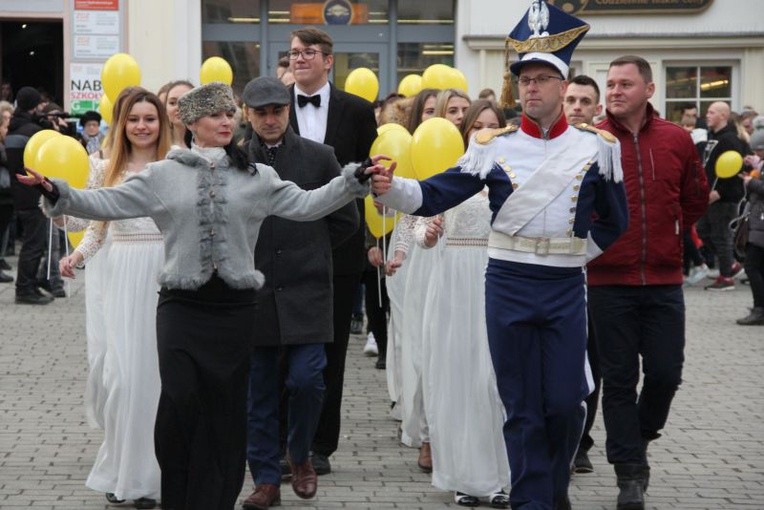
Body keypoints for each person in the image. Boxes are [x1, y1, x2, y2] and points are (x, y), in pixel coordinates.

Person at [20, 82, 383, 510]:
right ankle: (178, 489)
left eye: (230, 114)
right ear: (192, 123)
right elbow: (106, 202)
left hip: (235, 309)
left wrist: (352, 181)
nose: (227, 121)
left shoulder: (257, 176)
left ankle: (214, 497)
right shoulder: (161, 175)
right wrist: (56, 192)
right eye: (216, 115)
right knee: (179, 400)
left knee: (226, 412)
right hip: (181, 306)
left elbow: (308, 204)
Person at [371, 3, 629, 508]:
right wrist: (389, 186)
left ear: (562, 84)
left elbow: (615, 222)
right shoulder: (492, 146)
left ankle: (551, 489)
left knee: (564, 404)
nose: (530, 87)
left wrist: (571, 256)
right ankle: (533, 500)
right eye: (524, 78)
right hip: (506, 281)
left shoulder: (597, 148)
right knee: (520, 406)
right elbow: (436, 192)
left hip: (563, 287)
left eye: (541, 78)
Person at [588, 55, 709, 509]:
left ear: (649, 90)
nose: (615, 91)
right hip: (607, 279)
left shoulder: (676, 140)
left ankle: (637, 439)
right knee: (619, 380)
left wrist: (672, 229)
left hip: (662, 278)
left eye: (625, 84)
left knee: (665, 374)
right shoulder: (592, 140)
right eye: (611, 84)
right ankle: (630, 475)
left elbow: (694, 198)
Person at [239, 77, 359, 510]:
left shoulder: (320, 156)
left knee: (308, 380)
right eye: (261, 112)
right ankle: (266, 479)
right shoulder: (231, 161)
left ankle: (301, 452)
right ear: (247, 114)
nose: (270, 120)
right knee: (260, 393)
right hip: (254, 292)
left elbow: (347, 223)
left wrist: (310, 250)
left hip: (308, 289)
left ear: (288, 111)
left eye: (277, 111)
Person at [58, 87, 171, 509]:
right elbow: (94, 225)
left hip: (166, 275)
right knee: (124, 381)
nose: (142, 126)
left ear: (161, 123)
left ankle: (157, 477)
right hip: (124, 275)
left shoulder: (175, 164)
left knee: (159, 381)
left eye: (150, 118)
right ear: (121, 124)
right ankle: (125, 471)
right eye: (134, 119)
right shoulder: (104, 167)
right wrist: (77, 254)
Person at [286, 26, 378, 475]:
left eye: (308, 53)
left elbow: (367, 179)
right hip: (282, 247)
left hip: (339, 246)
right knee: (282, 347)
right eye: (294, 53)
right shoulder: (272, 109)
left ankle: (321, 444)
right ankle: (286, 440)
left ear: (328, 60)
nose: (299, 59)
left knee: (333, 347)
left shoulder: (358, 111)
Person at [417, 98, 510, 508]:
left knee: (494, 378)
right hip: (454, 281)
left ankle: (501, 475)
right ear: (466, 131)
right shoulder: (451, 176)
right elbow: (419, 229)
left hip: (498, 280)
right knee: (457, 375)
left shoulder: (514, 177)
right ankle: (463, 476)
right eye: (478, 126)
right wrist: (430, 233)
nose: (485, 133)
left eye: (494, 126)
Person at [561, 74, 603, 475]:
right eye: (570, 99)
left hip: (597, 268)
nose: (576, 107)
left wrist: (588, 250)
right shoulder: (545, 144)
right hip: (552, 270)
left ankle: (582, 439)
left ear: (597, 109)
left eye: (584, 101)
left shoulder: (604, 150)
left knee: (590, 357)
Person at [5, 85, 56, 304]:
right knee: (34, 244)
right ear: (34, 106)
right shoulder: (32, 131)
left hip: (20, 193)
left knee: (32, 242)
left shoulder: (13, 129)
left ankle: (30, 283)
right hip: (33, 194)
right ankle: (24, 288)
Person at [698, 101, 748, 291]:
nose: (707, 116)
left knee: (721, 235)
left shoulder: (730, 140)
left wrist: (719, 192)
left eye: (711, 112)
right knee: (704, 230)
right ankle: (732, 266)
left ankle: (726, 276)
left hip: (723, 198)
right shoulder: (714, 137)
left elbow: (736, 169)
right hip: (709, 194)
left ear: (723, 116)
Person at [737, 128, 764, 325]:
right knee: (759, 267)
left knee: (752, 267)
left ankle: (759, 309)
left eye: (758, 151)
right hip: (758, 220)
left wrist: (751, 182)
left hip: (761, 223)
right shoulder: (761, 163)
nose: (756, 154)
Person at [164, 80, 194, 148]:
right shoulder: (158, 144)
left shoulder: (207, 144)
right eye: (172, 103)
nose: (178, 107)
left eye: (185, 102)